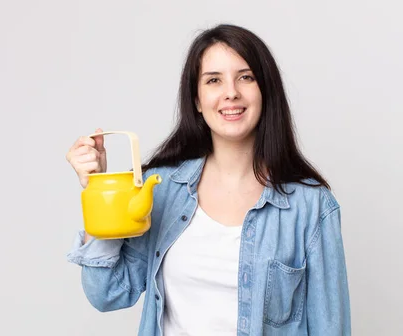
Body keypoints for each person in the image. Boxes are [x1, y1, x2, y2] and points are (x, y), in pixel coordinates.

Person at [66, 23, 351, 335]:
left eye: (246, 77)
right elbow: (107, 294)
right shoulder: (160, 189)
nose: (231, 92)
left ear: (265, 91)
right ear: (197, 100)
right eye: (213, 80)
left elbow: (330, 327)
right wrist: (100, 193)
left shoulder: (310, 207)